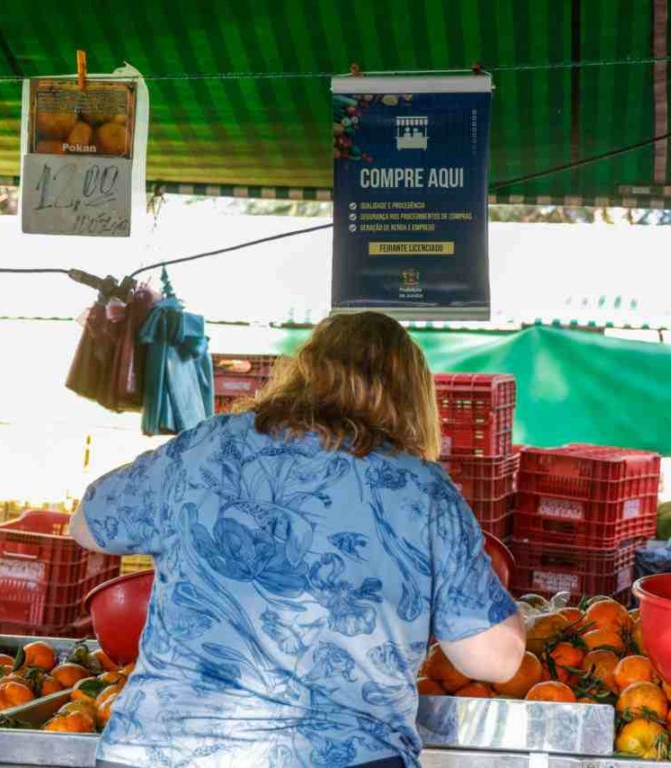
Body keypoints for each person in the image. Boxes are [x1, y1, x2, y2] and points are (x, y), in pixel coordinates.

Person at [71, 312, 526, 768]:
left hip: (156, 751)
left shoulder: (205, 447)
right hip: (342, 756)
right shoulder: (422, 490)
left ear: (302, 372)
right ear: (412, 398)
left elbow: (87, 527)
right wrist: (519, 621)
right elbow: (493, 660)